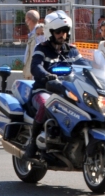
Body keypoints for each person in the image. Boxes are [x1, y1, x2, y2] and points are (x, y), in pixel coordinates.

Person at [24, 10, 90, 159]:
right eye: (59, 32)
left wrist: (96, 70)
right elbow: (35, 67)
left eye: (65, 31)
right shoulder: (41, 48)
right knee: (45, 103)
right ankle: (32, 142)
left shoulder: (71, 51)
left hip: (66, 91)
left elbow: (84, 65)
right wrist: (46, 75)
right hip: (43, 90)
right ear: (50, 32)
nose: (63, 35)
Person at [23, 10, 40, 80]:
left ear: (28, 20)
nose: (25, 20)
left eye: (26, 18)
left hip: (34, 73)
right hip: (31, 71)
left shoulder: (39, 33)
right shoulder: (33, 33)